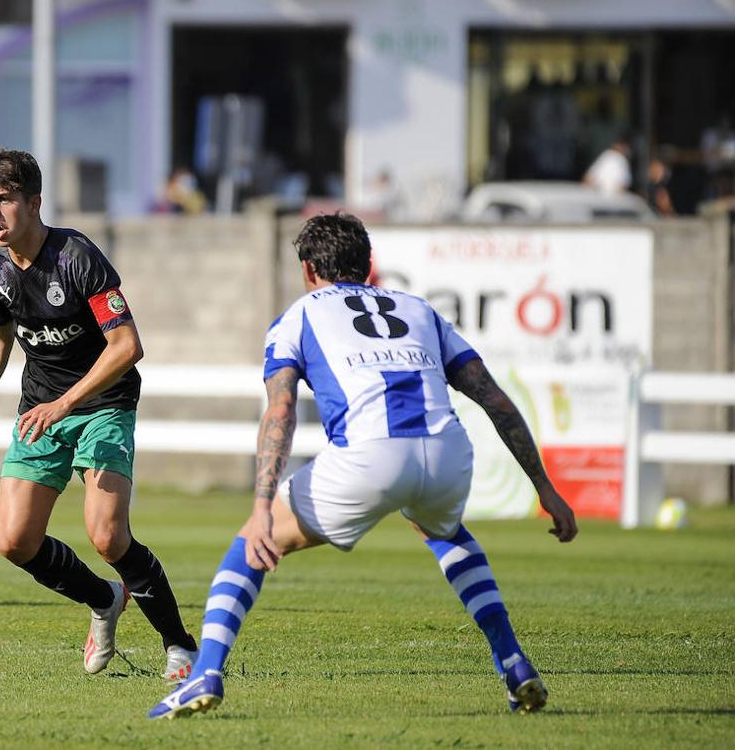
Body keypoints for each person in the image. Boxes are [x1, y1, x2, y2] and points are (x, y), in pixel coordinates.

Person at [151, 212, 578, 719]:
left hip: (370, 456)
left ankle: (205, 674)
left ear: (309, 269)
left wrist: (263, 504)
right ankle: (514, 662)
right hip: (447, 451)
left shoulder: (299, 314)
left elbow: (281, 410)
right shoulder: (420, 309)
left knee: (253, 543)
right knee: (441, 529)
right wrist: (544, 488)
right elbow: (494, 398)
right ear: (369, 265)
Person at [0, 148, 199, 683]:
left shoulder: (75, 257)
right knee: (14, 542)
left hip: (102, 404)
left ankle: (181, 647)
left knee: (107, 536)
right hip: (40, 409)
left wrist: (65, 403)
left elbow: (126, 346)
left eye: (4, 200)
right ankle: (103, 600)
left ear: (34, 202)